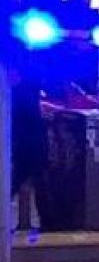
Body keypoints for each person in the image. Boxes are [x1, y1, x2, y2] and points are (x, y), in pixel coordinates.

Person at [9, 71, 46, 241]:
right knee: (29, 179)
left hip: (21, 138)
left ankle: (29, 222)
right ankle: (38, 222)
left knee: (18, 180)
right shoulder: (28, 85)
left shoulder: (17, 90)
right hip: (29, 138)